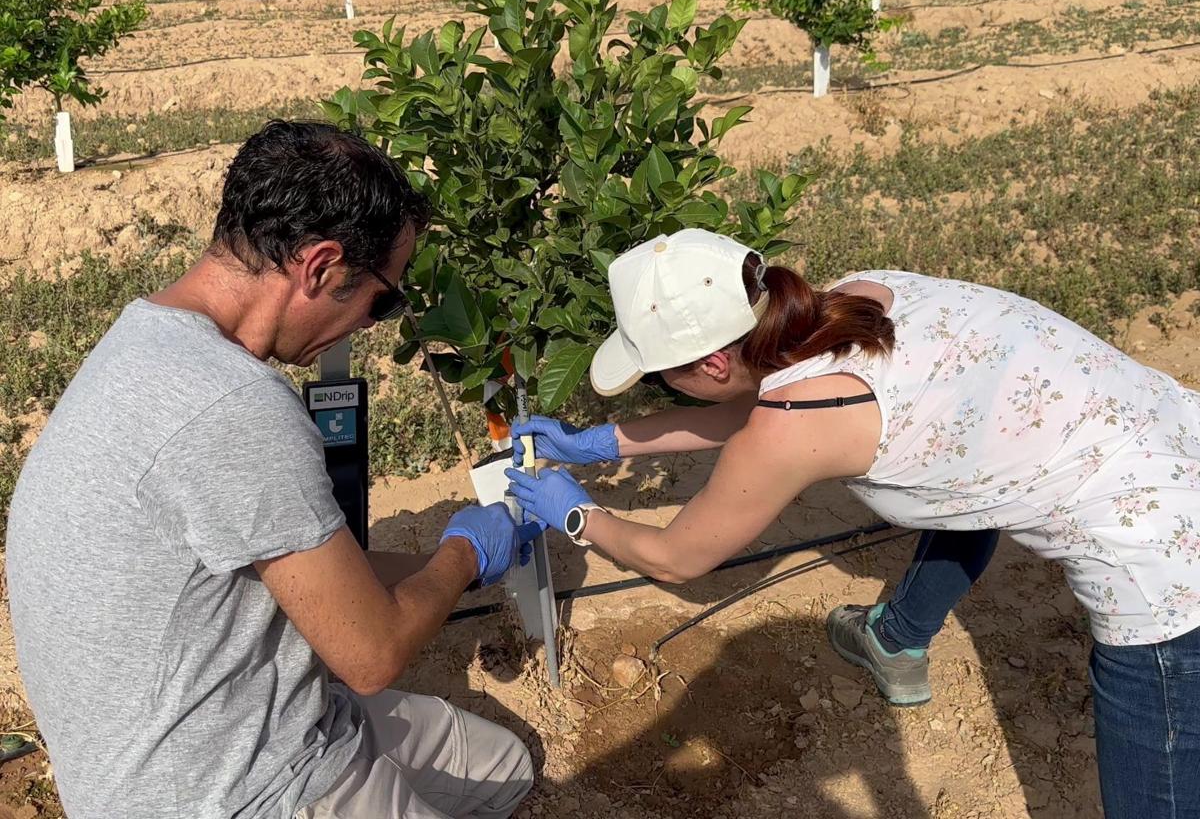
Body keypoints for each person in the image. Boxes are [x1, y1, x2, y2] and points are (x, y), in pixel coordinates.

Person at [504, 227, 1200, 818]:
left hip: (1164, 563)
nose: (663, 388)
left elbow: (676, 557)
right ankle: (897, 640)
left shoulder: (798, 422)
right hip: (1174, 434)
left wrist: (574, 513)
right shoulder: (854, 302)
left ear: (713, 361)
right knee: (959, 486)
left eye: (659, 376)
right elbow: (752, 404)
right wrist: (601, 443)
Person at [6, 121, 537, 819]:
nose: (377, 323)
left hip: (196, 736)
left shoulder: (148, 337)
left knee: (506, 766)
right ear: (319, 267)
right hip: (229, 791)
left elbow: (291, 565)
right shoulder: (236, 407)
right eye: (385, 298)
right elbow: (372, 654)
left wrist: (427, 565)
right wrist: (464, 555)